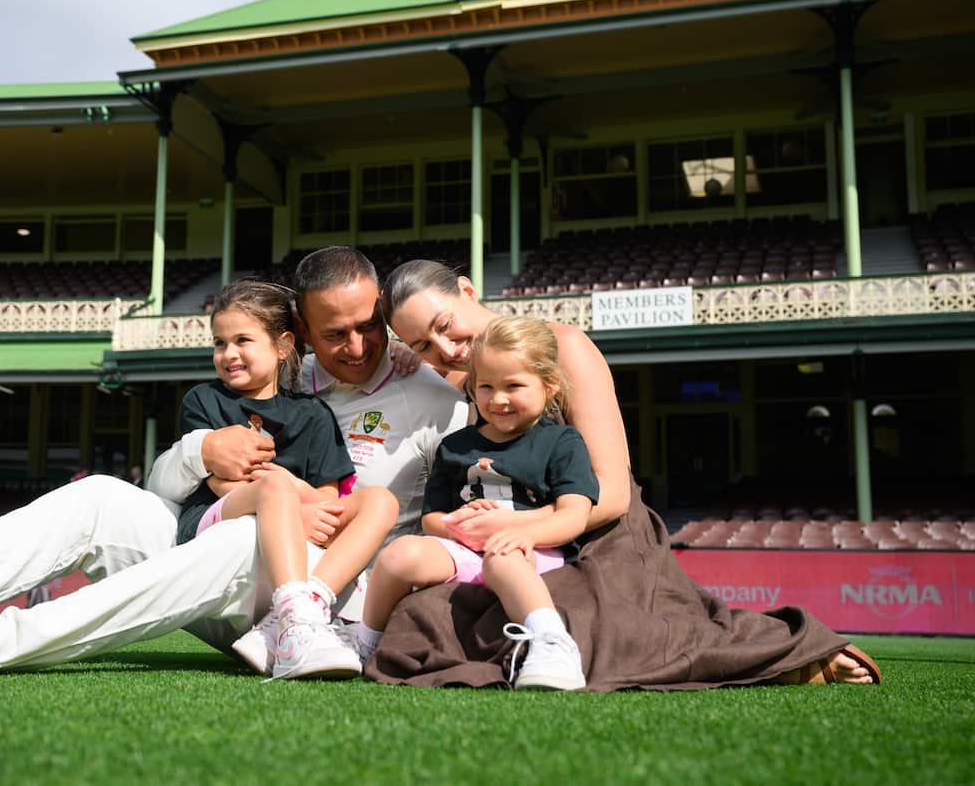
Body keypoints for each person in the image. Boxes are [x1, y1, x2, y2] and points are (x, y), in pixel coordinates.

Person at [0, 247, 466, 677]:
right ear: (298, 331)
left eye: (369, 327)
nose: (359, 346)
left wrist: (310, 511)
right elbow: (163, 490)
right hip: (227, 557)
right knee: (102, 496)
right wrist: (197, 451)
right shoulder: (277, 375)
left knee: (248, 536)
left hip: (328, 599)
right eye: (336, 333)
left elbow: (448, 518)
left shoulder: (436, 393)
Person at [366, 259, 882, 690]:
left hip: (600, 534)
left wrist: (517, 529)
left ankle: (794, 657)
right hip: (502, 547)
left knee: (597, 632)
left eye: (445, 326)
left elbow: (610, 494)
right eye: (424, 346)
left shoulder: (565, 346)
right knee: (422, 625)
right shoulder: (451, 376)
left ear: (467, 291)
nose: (447, 349)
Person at [170, 279, 396, 679]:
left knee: (380, 500)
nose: (228, 353)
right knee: (274, 484)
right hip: (215, 517)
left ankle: (299, 609)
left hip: (297, 524)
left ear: (282, 346)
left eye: (243, 340)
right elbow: (220, 483)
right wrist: (285, 496)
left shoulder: (312, 413)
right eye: (219, 343)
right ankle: (293, 615)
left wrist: (295, 502)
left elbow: (326, 497)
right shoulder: (203, 400)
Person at [359, 316, 598, 690]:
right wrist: (455, 524)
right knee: (399, 553)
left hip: (532, 552)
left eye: (513, 386)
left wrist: (521, 533)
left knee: (503, 558)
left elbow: (574, 515)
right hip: (464, 548)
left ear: (548, 386)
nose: (497, 399)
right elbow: (431, 519)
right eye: (485, 386)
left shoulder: (562, 442)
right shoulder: (456, 446)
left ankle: (552, 643)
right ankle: (365, 642)